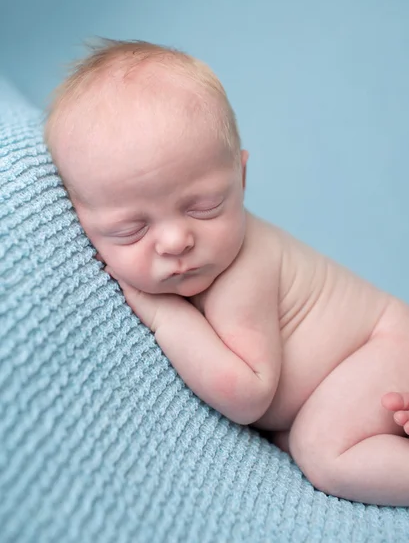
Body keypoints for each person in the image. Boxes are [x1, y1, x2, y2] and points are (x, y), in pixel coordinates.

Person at [45, 39, 409, 506]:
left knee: (322, 450)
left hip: (383, 349)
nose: (176, 241)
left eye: (204, 207)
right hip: (366, 367)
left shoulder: (245, 270)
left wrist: (164, 316)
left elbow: (247, 394)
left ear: (241, 177)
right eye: (131, 230)